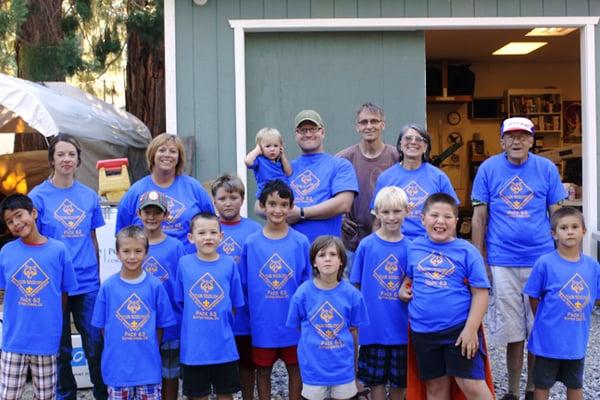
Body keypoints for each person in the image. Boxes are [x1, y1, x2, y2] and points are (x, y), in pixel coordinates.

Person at [471, 117, 567, 400]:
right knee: (512, 331)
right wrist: (480, 261)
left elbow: (557, 214)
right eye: (510, 136)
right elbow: (479, 219)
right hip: (502, 261)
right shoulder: (488, 168)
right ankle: (512, 389)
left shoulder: (546, 168)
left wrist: (561, 257)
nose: (516, 141)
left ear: (531, 140)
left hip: (541, 260)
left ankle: (532, 389)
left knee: (537, 328)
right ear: (501, 141)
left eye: (523, 137)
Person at [28, 133, 107, 400]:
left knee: (96, 344)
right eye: (60, 154)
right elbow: (33, 241)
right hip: (52, 285)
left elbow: (93, 239)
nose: (66, 159)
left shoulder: (88, 196)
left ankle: (103, 393)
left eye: (71, 154)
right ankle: (66, 395)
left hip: (86, 283)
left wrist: (96, 273)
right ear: (52, 160)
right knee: (59, 348)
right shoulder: (37, 197)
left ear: (78, 160)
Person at [399, 193, 493, 400]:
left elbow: (481, 293)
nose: (440, 221)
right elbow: (409, 276)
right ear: (423, 219)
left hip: (458, 330)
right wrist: (402, 289)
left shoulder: (467, 251)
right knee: (435, 386)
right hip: (423, 331)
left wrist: (470, 330)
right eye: (434, 215)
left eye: (447, 217)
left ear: (456, 222)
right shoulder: (413, 248)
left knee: (471, 384)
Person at [0, 194, 78, 400]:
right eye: (9, 221)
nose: (16, 223)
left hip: (46, 340)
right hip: (14, 339)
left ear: (33, 213)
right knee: (8, 395)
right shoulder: (6, 252)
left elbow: (64, 292)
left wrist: (52, 322)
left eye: (19, 215)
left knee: (46, 396)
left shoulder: (58, 251)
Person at [240, 180, 311, 400]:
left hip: (293, 322)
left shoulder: (301, 242)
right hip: (263, 322)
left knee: (295, 368)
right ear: (262, 205)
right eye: (272, 204)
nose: (277, 210)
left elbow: (308, 284)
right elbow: (243, 285)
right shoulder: (251, 243)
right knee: (262, 371)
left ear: (291, 207)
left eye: (283, 204)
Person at [523, 207, 600, 400]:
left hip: (575, 342)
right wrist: (543, 318)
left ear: (583, 231)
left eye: (575, 226)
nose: (570, 231)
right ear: (554, 234)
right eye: (563, 227)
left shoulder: (592, 266)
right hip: (547, 341)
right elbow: (533, 296)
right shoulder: (545, 263)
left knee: (575, 385)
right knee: (542, 385)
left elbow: (594, 298)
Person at [92, 226, 175, 400]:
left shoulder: (155, 286)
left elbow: (160, 326)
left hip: (148, 369)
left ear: (146, 253)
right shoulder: (108, 288)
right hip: (117, 371)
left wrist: (150, 346)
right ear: (117, 253)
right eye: (126, 251)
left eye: (138, 251)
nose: (132, 256)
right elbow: (102, 328)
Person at [287, 235, 369, 400]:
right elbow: (298, 327)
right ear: (314, 262)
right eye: (322, 255)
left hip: (343, 369)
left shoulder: (352, 295)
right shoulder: (303, 293)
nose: (327, 259)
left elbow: (354, 331)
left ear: (341, 262)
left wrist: (354, 366)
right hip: (313, 370)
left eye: (333, 254)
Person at [175, 212, 245, 400]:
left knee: (225, 394)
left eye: (213, 232)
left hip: (223, 347)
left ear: (221, 237)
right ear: (191, 238)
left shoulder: (229, 264)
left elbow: (234, 304)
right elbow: (182, 301)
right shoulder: (184, 264)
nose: (208, 237)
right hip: (194, 349)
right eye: (202, 233)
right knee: (198, 395)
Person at [349, 186, 410, 400]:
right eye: (385, 212)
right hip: (372, 328)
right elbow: (355, 285)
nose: (391, 217)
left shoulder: (411, 248)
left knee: (400, 384)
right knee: (375, 382)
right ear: (377, 213)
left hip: (401, 331)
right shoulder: (366, 245)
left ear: (407, 211)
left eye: (396, 211)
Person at [116, 133, 215, 254]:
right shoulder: (135, 191)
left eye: (173, 151)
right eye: (161, 150)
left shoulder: (194, 188)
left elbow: (212, 223)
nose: (167, 155)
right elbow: (121, 233)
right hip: (146, 262)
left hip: (186, 262)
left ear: (179, 157)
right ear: (152, 155)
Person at [211, 174, 262, 400]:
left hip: (247, 311)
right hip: (216, 308)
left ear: (242, 199)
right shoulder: (209, 229)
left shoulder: (253, 230)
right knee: (222, 364)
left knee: (247, 364)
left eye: (233, 197)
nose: (228, 202)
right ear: (214, 202)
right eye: (222, 198)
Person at [137, 191, 185, 400]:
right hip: (139, 323)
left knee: (170, 374)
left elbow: (182, 284)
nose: (152, 217)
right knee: (144, 373)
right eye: (147, 211)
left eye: (157, 212)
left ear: (166, 216)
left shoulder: (175, 246)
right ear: (139, 213)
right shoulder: (134, 245)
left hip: (171, 323)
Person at [372, 123, 458, 241]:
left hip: (430, 244)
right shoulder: (386, 178)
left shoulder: (439, 177)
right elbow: (377, 222)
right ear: (400, 144)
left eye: (419, 139)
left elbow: (451, 217)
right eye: (408, 138)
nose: (413, 142)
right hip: (395, 242)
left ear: (426, 147)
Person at [336, 103, 399, 257]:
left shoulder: (397, 157)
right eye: (364, 122)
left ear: (382, 125)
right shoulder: (343, 159)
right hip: (352, 242)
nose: (369, 126)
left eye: (374, 121)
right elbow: (327, 194)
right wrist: (339, 217)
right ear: (357, 127)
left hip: (389, 238)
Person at [286, 109, 358, 243]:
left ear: (322, 132)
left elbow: (344, 204)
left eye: (313, 129)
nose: (308, 134)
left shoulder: (340, 165)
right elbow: (260, 205)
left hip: (327, 253)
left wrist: (301, 213)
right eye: (303, 130)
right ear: (296, 134)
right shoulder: (287, 168)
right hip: (292, 251)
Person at [245, 127, 293, 198]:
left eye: (276, 146)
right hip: (266, 194)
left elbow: (289, 172)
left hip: (283, 193)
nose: (272, 149)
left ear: (281, 147)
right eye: (268, 146)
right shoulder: (259, 160)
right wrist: (257, 150)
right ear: (260, 148)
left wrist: (283, 156)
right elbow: (248, 162)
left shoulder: (280, 160)